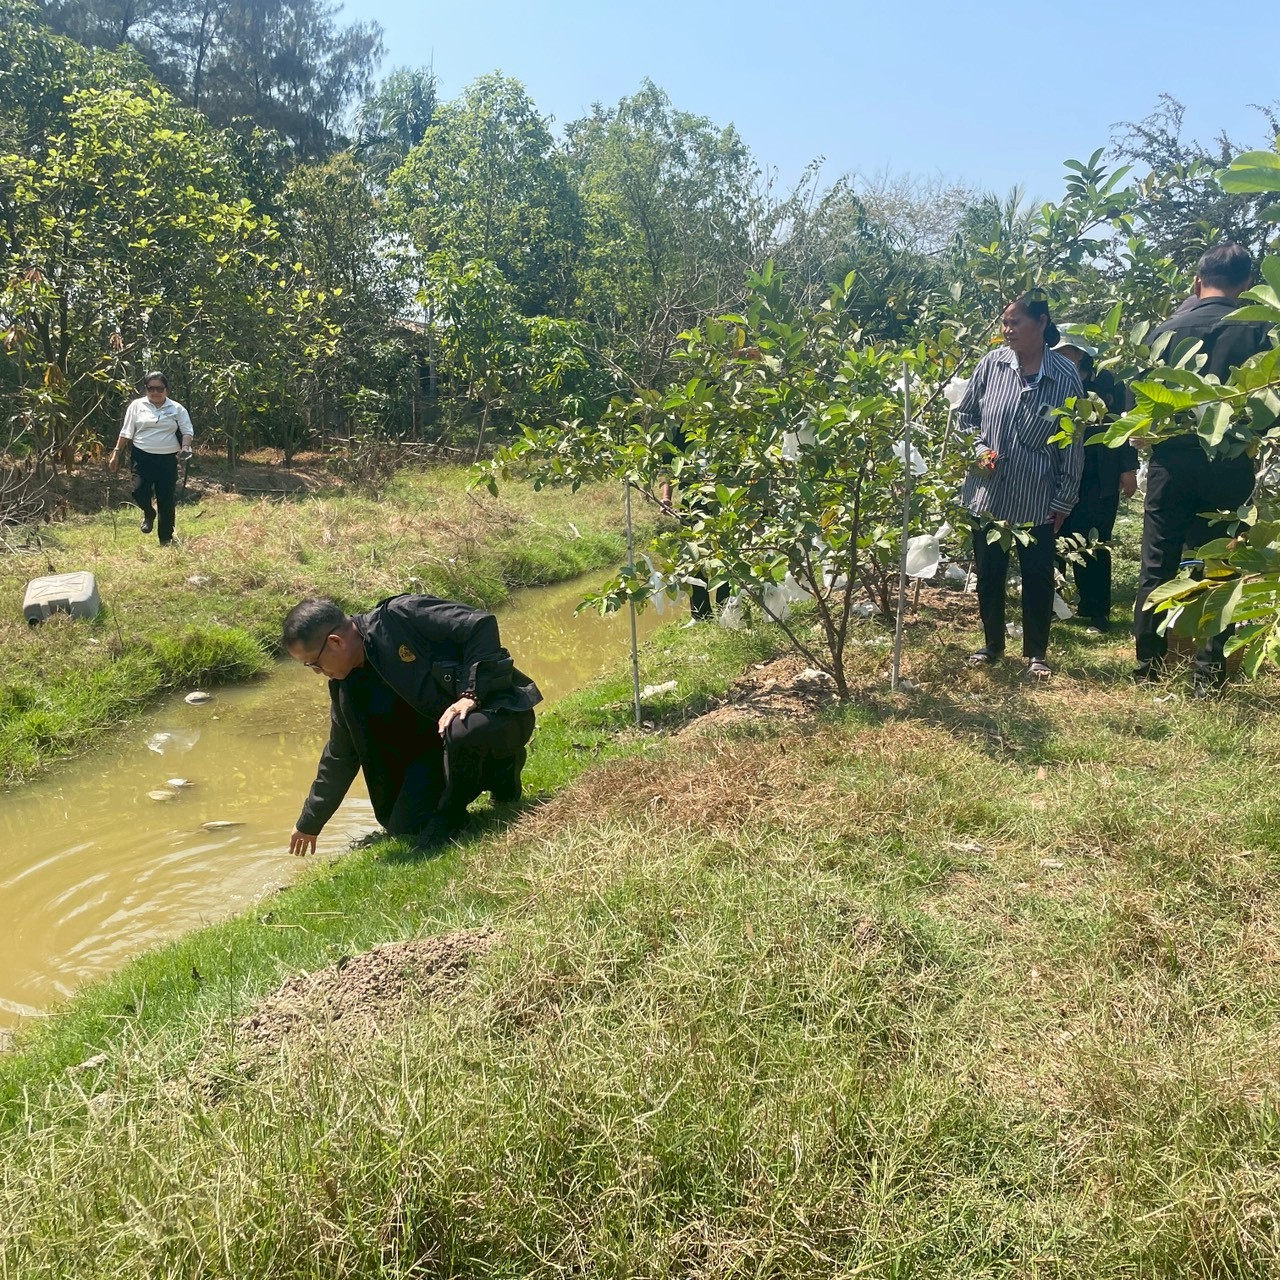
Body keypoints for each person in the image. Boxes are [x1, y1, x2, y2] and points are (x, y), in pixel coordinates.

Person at [283, 594, 541, 855]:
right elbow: (340, 754)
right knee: (404, 824)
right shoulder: (345, 686)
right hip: (438, 747)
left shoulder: (401, 616)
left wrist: (471, 694)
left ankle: (464, 804)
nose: (317, 672)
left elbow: (480, 625)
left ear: (335, 642)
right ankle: (488, 774)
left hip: (496, 714)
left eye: (313, 663)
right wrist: (310, 822)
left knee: (462, 728)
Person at [1133, 243, 1274, 692]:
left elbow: (1147, 399)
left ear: (1197, 281)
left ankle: (1148, 667)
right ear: (1248, 285)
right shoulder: (1261, 329)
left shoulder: (1166, 330)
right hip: (1230, 462)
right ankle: (1208, 675)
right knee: (1224, 565)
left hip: (1171, 461)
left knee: (1157, 563)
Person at [958, 292, 1085, 679]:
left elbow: (1072, 443)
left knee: (1037, 575)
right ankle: (992, 644)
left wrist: (1064, 499)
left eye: (1014, 322)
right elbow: (965, 417)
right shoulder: (991, 366)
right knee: (989, 571)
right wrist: (978, 450)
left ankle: (1036, 654)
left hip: (1038, 496)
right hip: (987, 493)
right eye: (1004, 322)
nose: (1006, 330)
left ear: (1042, 323)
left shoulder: (1064, 377)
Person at [1052, 335, 1139, 633]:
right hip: (1059, 470)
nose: (1068, 355)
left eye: (1073, 350)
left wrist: (1129, 468)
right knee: (1053, 534)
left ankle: (1095, 611)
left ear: (1083, 354)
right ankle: (1053, 604)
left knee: (1094, 538)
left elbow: (1123, 424)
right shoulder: (1048, 378)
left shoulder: (1107, 381)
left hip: (1099, 472)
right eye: (1061, 350)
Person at [108, 372, 193, 546]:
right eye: (151, 388)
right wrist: (116, 453)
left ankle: (166, 539)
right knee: (139, 491)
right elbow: (126, 432)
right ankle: (149, 512)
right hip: (142, 456)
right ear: (145, 389)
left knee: (166, 498)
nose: (155, 392)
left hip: (167, 459)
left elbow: (187, 431)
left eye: (159, 389)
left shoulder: (177, 409)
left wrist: (185, 447)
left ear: (166, 389)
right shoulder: (137, 406)